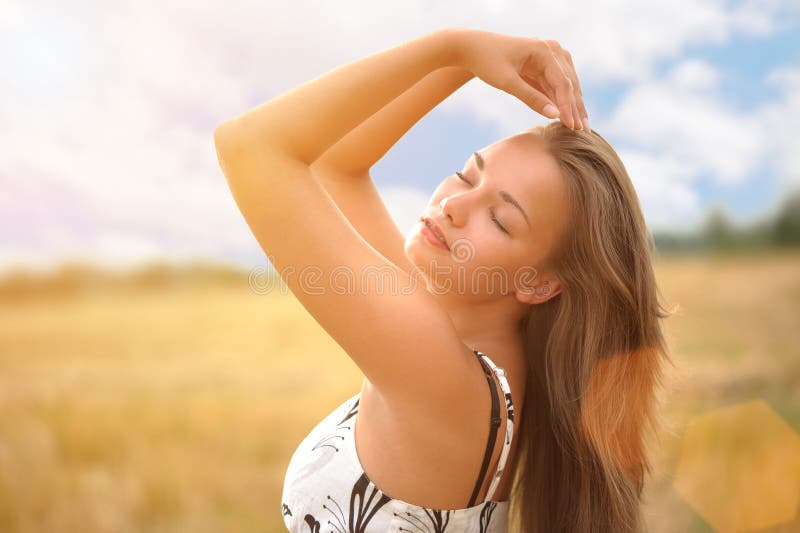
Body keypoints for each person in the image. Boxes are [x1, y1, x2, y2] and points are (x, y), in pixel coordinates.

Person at [213, 28, 674, 533]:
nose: (453, 207)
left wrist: (451, 48)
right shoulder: (462, 339)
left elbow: (248, 146)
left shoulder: (442, 375)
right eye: (467, 175)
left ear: (540, 285)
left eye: (500, 219)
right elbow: (336, 166)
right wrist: (465, 68)